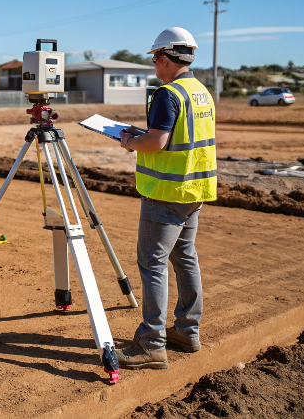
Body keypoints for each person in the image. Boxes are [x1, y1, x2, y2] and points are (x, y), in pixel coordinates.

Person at [116, 27, 217, 369]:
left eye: (155, 58)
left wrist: (129, 140)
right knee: (184, 257)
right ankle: (187, 331)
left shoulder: (167, 93)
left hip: (166, 194)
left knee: (152, 263)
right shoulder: (200, 92)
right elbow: (176, 137)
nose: (155, 65)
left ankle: (152, 343)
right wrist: (143, 135)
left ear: (164, 57)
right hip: (193, 190)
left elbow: (157, 143)